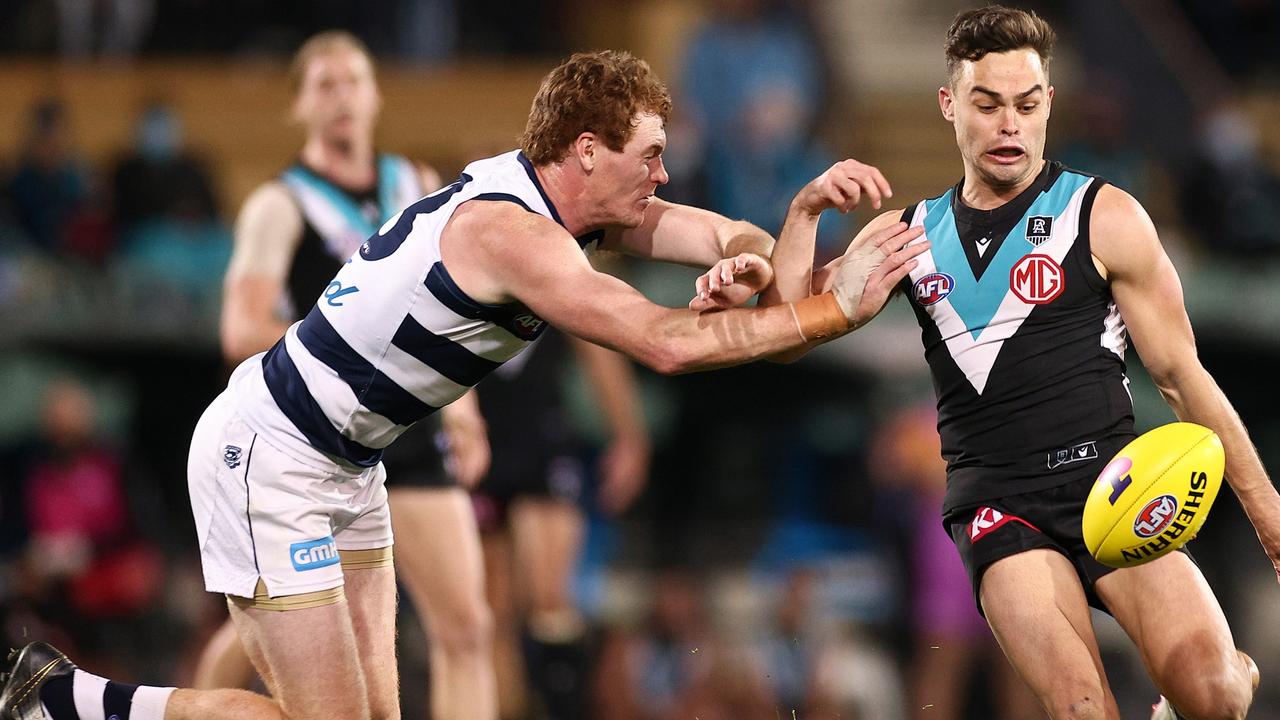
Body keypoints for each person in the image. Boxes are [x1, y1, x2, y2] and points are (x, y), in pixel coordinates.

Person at [0, 49, 925, 720]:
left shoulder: (569, 199)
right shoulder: (512, 235)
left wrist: (770, 256)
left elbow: (723, 234)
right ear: (589, 150)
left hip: (351, 469)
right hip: (269, 458)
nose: (664, 173)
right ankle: (71, 699)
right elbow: (663, 345)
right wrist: (825, 312)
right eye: (650, 154)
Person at [725, 7, 1277, 719]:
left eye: (1025, 103)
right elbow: (789, 329)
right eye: (987, 104)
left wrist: (1270, 517)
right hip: (998, 506)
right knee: (1083, 710)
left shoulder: (1105, 215)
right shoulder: (909, 234)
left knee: (1218, 698)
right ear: (950, 106)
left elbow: (1181, 376)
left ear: (1048, 102)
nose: (1009, 124)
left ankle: (1223, 678)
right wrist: (801, 215)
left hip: (1114, 486)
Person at [191, 31, 499, 720]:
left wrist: (464, 412)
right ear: (298, 105)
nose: (342, 98)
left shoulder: (415, 184)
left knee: (466, 626)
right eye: (324, 85)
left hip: (407, 434)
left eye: (353, 81)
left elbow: (453, 310)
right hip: (309, 436)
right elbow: (239, 329)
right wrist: (353, 353)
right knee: (256, 633)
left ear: (376, 94)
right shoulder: (281, 204)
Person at [470, 326, 650, 720]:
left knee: (549, 602)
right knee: (487, 615)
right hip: (474, 437)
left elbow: (595, 339)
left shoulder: (554, 263)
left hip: (540, 437)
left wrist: (628, 436)